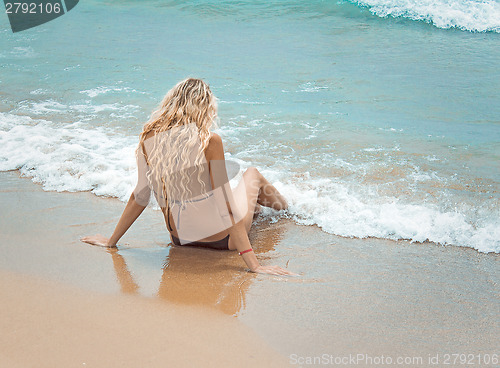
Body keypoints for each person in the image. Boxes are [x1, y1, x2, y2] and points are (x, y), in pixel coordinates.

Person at [81, 78, 296, 276]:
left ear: (171, 103)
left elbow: (140, 195)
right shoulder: (209, 141)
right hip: (223, 241)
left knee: (240, 197)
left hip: (180, 241)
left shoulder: (149, 136)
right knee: (253, 174)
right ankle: (292, 212)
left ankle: (262, 210)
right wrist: (255, 266)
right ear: (204, 108)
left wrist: (112, 241)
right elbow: (226, 208)